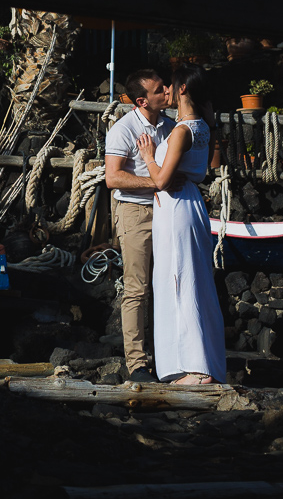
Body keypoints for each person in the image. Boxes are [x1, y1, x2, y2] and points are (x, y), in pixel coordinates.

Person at [135, 65, 226, 385]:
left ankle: (198, 368)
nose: (167, 92)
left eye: (171, 87)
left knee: (180, 280)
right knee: (185, 280)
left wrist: (148, 154)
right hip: (187, 203)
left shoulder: (181, 131)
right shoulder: (202, 125)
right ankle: (188, 364)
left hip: (176, 210)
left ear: (184, 88)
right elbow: (196, 167)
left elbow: (159, 180)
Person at [104, 69, 175, 382]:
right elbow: (112, 177)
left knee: (170, 284)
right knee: (137, 288)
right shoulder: (124, 128)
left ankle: (170, 359)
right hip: (135, 212)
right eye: (160, 89)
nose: (167, 91)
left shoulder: (171, 126)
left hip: (168, 211)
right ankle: (137, 364)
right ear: (143, 100)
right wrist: (155, 182)